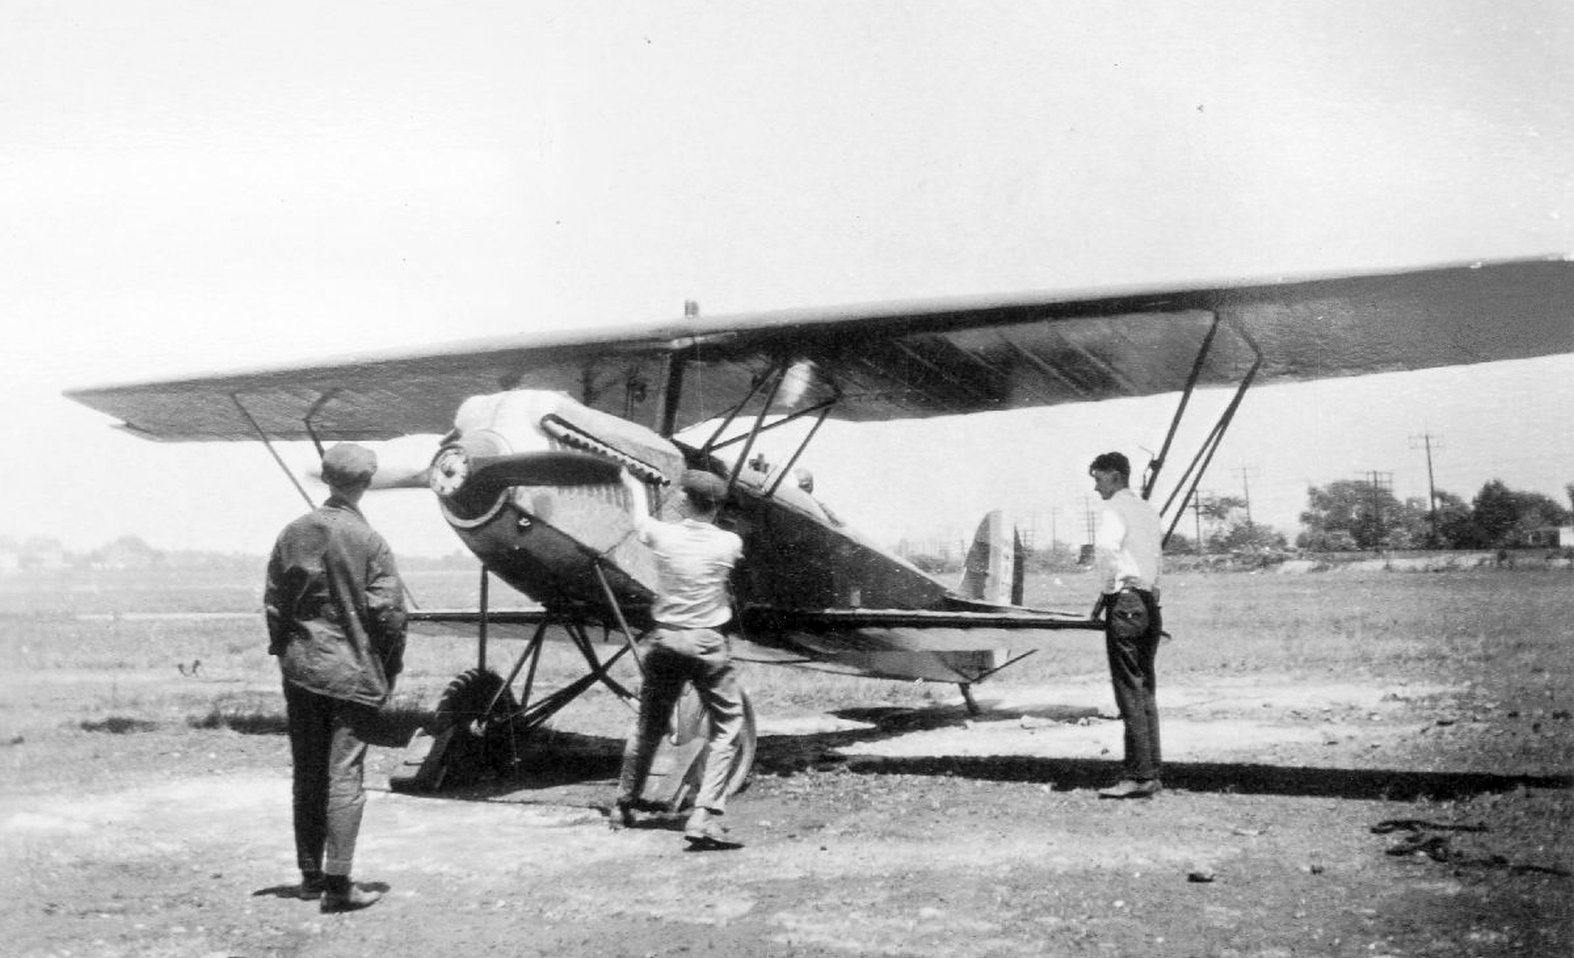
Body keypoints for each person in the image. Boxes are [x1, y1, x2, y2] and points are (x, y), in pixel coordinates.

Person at [264, 443, 407, 911]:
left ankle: (310, 879)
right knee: (344, 775)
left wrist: (287, 654)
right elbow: (389, 616)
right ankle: (339, 886)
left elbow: (275, 605)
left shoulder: (292, 533)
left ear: (326, 479)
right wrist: (387, 668)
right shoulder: (370, 541)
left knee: (307, 772)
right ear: (365, 483)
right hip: (352, 674)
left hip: (301, 671)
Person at [610, 467, 748, 849]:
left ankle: (623, 805)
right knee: (728, 725)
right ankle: (704, 814)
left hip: (666, 640)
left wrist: (633, 485)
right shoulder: (729, 543)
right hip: (708, 643)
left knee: (648, 725)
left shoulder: (664, 535)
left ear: (685, 500)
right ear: (716, 506)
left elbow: (640, 520)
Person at [1088, 451, 1165, 799]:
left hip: (1125, 602)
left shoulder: (1114, 509)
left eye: (1098, 478)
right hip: (1148, 602)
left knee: (1129, 689)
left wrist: (1109, 591)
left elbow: (1106, 550)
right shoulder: (1147, 510)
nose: (1096, 487)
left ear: (1115, 476)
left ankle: (1138, 775)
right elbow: (1157, 559)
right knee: (1144, 688)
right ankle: (1151, 772)